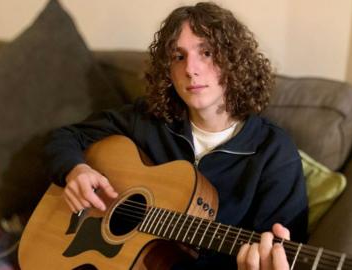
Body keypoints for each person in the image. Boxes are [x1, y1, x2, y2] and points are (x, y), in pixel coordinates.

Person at [45, 2, 308, 269]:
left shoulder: (274, 152)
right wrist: (74, 170)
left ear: (233, 60)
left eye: (206, 52)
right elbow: (66, 137)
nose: (190, 69)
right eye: (178, 56)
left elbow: (285, 251)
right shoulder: (148, 120)